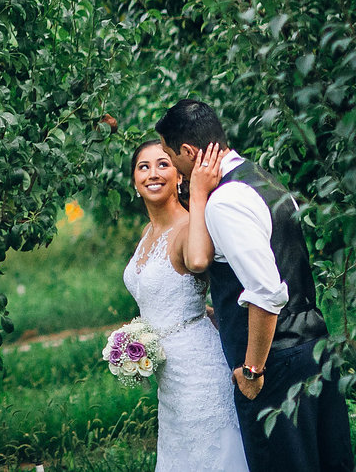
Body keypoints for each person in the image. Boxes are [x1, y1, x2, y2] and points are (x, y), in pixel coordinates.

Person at [158, 99, 355, 472]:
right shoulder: (261, 177)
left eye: (171, 156)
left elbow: (267, 293)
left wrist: (252, 371)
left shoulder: (224, 202)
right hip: (314, 349)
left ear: (187, 152)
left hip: (276, 365)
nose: (176, 171)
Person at [124, 138, 251, 472]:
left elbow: (198, 264)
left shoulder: (189, 225)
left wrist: (199, 193)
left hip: (200, 370)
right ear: (135, 182)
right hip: (170, 378)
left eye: (163, 163)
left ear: (179, 176)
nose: (153, 173)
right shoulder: (147, 232)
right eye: (143, 167)